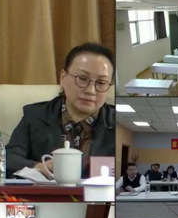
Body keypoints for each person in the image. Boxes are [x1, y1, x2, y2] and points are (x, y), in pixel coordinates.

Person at [6, 43, 116, 179]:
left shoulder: (117, 122)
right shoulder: (35, 116)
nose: (90, 90)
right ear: (63, 77)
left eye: (101, 83)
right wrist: (37, 167)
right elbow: (9, 159)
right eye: (82, 79)